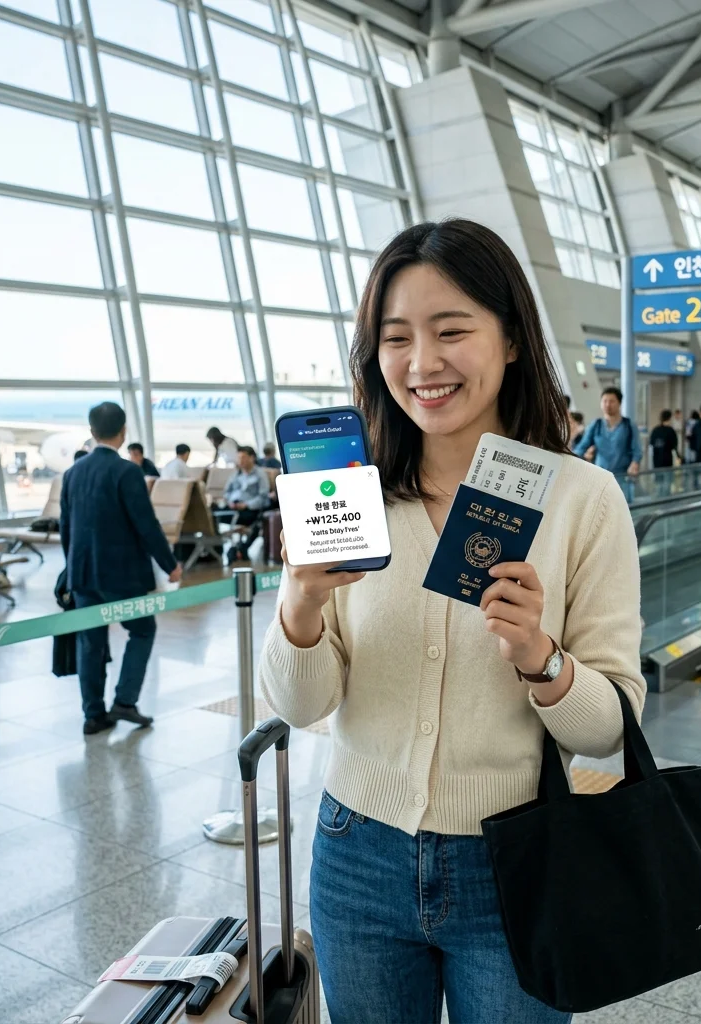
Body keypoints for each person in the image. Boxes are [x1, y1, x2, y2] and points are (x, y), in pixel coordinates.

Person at [259, 219, 644, 1024]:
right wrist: (300, 601)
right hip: (356, 854)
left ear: (510, 341)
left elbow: (610, 724)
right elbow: (300, 707)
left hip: (517, 861)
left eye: (452, 331)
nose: (422, 363)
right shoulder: (352, 498)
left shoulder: (582, 500)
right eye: (395, 339)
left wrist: (542, 657)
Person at [60, 402, 182, 736]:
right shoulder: (128, 472)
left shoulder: (72, 473)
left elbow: (65, 529)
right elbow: (146, 525)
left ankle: (93, 715)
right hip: (122, 575)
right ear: (124, 431)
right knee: (142, 630)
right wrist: (170, 565)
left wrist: (71, 570)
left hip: (83, 574)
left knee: (91, 641)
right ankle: (125, 701)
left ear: (91, 431)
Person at [573, 387, 642, 476]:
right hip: (600, 476)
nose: (607, 405)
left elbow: (637, 451)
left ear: (619, 403)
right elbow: (581, 447)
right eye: (604, 401)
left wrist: (635, 463)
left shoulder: (628, 425)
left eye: (612, 401)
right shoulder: (596, 425)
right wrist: (571, 459)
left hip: (622, 476)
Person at [222, 446, 271, 563]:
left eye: (243, 457)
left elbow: (263, 496)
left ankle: (242, 547)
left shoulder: (260, 474)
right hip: (233, 508)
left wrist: (246, 505)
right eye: (239, 458)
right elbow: (226, 492)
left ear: (252, 458)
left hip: (250, 509)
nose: (241, 461)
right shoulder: (236, 474)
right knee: (213, 514)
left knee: (250, 519)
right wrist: (229, 502)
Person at [649, 410, 679, 486]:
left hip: (657, 462)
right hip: (667, 462)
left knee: (659, 484)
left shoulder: (655, 430)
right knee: (667, 484)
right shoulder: (671, 431)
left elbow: (651, 444)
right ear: (669, 418)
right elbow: (674, 446)